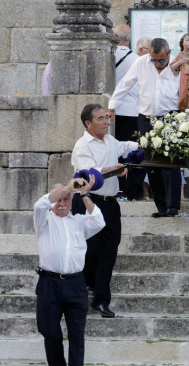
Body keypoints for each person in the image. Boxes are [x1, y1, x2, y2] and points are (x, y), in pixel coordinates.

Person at [71, 102, 138, 318]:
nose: (106, 122)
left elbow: (126, 147)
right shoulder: (82, 145)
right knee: (89, 250)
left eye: (107, 118)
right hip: (88, 202)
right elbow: (92, 173)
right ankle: (84, 289)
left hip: (110, 204)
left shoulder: (111, 141)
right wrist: (115, 169)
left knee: (109, 253)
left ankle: (101, 300)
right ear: (88, 123)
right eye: (100, 118)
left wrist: (148, 144)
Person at [34, 177, 105, 366]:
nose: (63, 203)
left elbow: (98, 221)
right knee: (50, 332)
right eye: (59, 200)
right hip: (49, 283)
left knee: (76, 335)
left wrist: (84, 194)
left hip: (75, 285)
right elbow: (40, 204)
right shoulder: (44, 220)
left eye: (67, 199)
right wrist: (68, 187)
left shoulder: (80, 222)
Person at [109, 37, 181, 217]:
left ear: (169, 54)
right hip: (146, 118)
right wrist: (112, 106)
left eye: (161, 60)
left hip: (170, 117)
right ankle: (161, 206)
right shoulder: (141, 63)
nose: (157, 63)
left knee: (172, 161)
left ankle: (173, 206)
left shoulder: (177, 64)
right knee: (152, 162)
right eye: (154, 59)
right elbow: (125, 84)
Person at [112, 26, 145, 201]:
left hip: (111, 110)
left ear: (115, 37)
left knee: (114, 150)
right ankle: (131, 190)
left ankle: (115, 187)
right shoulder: (136, 59)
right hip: (131, 111)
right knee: (131, 151)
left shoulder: (107, 55)